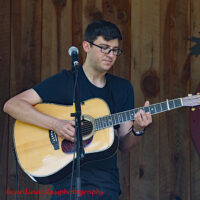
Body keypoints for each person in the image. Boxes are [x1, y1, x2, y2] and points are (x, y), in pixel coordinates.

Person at [3, 19, 152, 200]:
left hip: (105, 186)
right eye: (104, 48)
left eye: (115, 50)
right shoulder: (66, 81)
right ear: (86, 46)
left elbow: (123, 144)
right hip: (66, 184)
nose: (110, 55)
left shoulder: (122, 88)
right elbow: (12, 105)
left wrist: (138, 129)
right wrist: (56, 124)